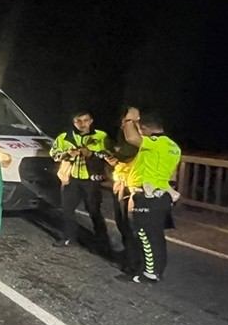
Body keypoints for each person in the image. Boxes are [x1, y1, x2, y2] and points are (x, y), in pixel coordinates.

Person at [119, 111, 182, 283]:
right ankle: (155, 270)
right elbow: (172, 174)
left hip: (147, 196)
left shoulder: (155, 143)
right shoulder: (173, 146)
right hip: (161, 196)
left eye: (140, 129)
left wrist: (128, 119)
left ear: (144, 128)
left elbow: (131, 138)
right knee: (156, 235)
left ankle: (150, 273)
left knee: (144, 234)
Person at [49, 110, 111, 250]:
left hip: (91, 180)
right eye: (79, 121)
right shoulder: (64, 137)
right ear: (74, 122)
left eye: (86, 120)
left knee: (94, 211)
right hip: (71, 179)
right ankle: (69, 238)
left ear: (91, 121)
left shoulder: (101, 136)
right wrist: (67, 154)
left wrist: (91, 154)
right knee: (67, 209)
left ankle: (102, 240)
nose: (83, 124)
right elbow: (54, 155)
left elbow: (109, 156)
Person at [104, 106, 141, 273]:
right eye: (125, 121)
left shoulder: (143, 140)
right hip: (121, 182)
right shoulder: (123, 138)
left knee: (132, 226)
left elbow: (128, 153)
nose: (126, 125)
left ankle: (134, 264)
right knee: (122, 223)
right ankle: (129, 254)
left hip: (133, 187)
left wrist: (116, 157)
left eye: (131, 121)